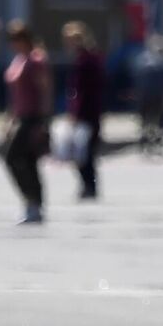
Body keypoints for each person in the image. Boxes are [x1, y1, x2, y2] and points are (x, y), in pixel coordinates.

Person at [2, 21, 52, 224]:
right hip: (20, 116)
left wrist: (44, 121)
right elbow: (15, 96)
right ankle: (33, 204)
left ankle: (34, 203)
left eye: (16, 39)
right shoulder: (18, 60)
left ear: (26, 39)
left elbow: (45, 91)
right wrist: (9, 120)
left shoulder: (36, 59)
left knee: (12, 156)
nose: (13, 44)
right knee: (27, 161)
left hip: (33, 117)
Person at [62, 21, 105, 201]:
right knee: (83, 152)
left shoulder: (87, 60)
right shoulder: (85, 59)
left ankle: (90, 186)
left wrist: (75, 113)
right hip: (88, 111)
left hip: (88, 112)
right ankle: (88, 185)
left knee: (84, 152)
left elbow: (86, 90)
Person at [135, 34, 163, 157]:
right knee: (146, 120)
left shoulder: (162, 63)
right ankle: (145, 142)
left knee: (158, 121)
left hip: (157, 96)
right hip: (147, 95)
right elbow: (139, 80)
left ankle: (155, 140)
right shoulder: (146, 61)